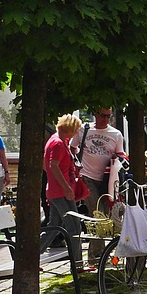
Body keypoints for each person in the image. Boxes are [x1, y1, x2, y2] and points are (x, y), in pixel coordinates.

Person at [40, 114, 84, 266]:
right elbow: (53, 165)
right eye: (76, 129)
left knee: (54, 226)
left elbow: (46, 166)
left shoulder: (55, 139)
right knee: (74, 225)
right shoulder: (58, 143)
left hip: (54, 190)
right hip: (61, 193)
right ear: (70, 129)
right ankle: (77, 264)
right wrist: (66, 187)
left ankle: (31, 258)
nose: (76, 132)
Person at [73, 108, 125, 214]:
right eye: (102, 115)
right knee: (97, 212)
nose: (105, 119)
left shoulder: (116, 134)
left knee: (107, 212)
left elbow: (121, 156)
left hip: (107, 180)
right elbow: (72, 147)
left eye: (108, 116)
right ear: (95, 114)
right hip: (87, 177)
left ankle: (103, 231)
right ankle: (97, 230)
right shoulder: (83, 129)